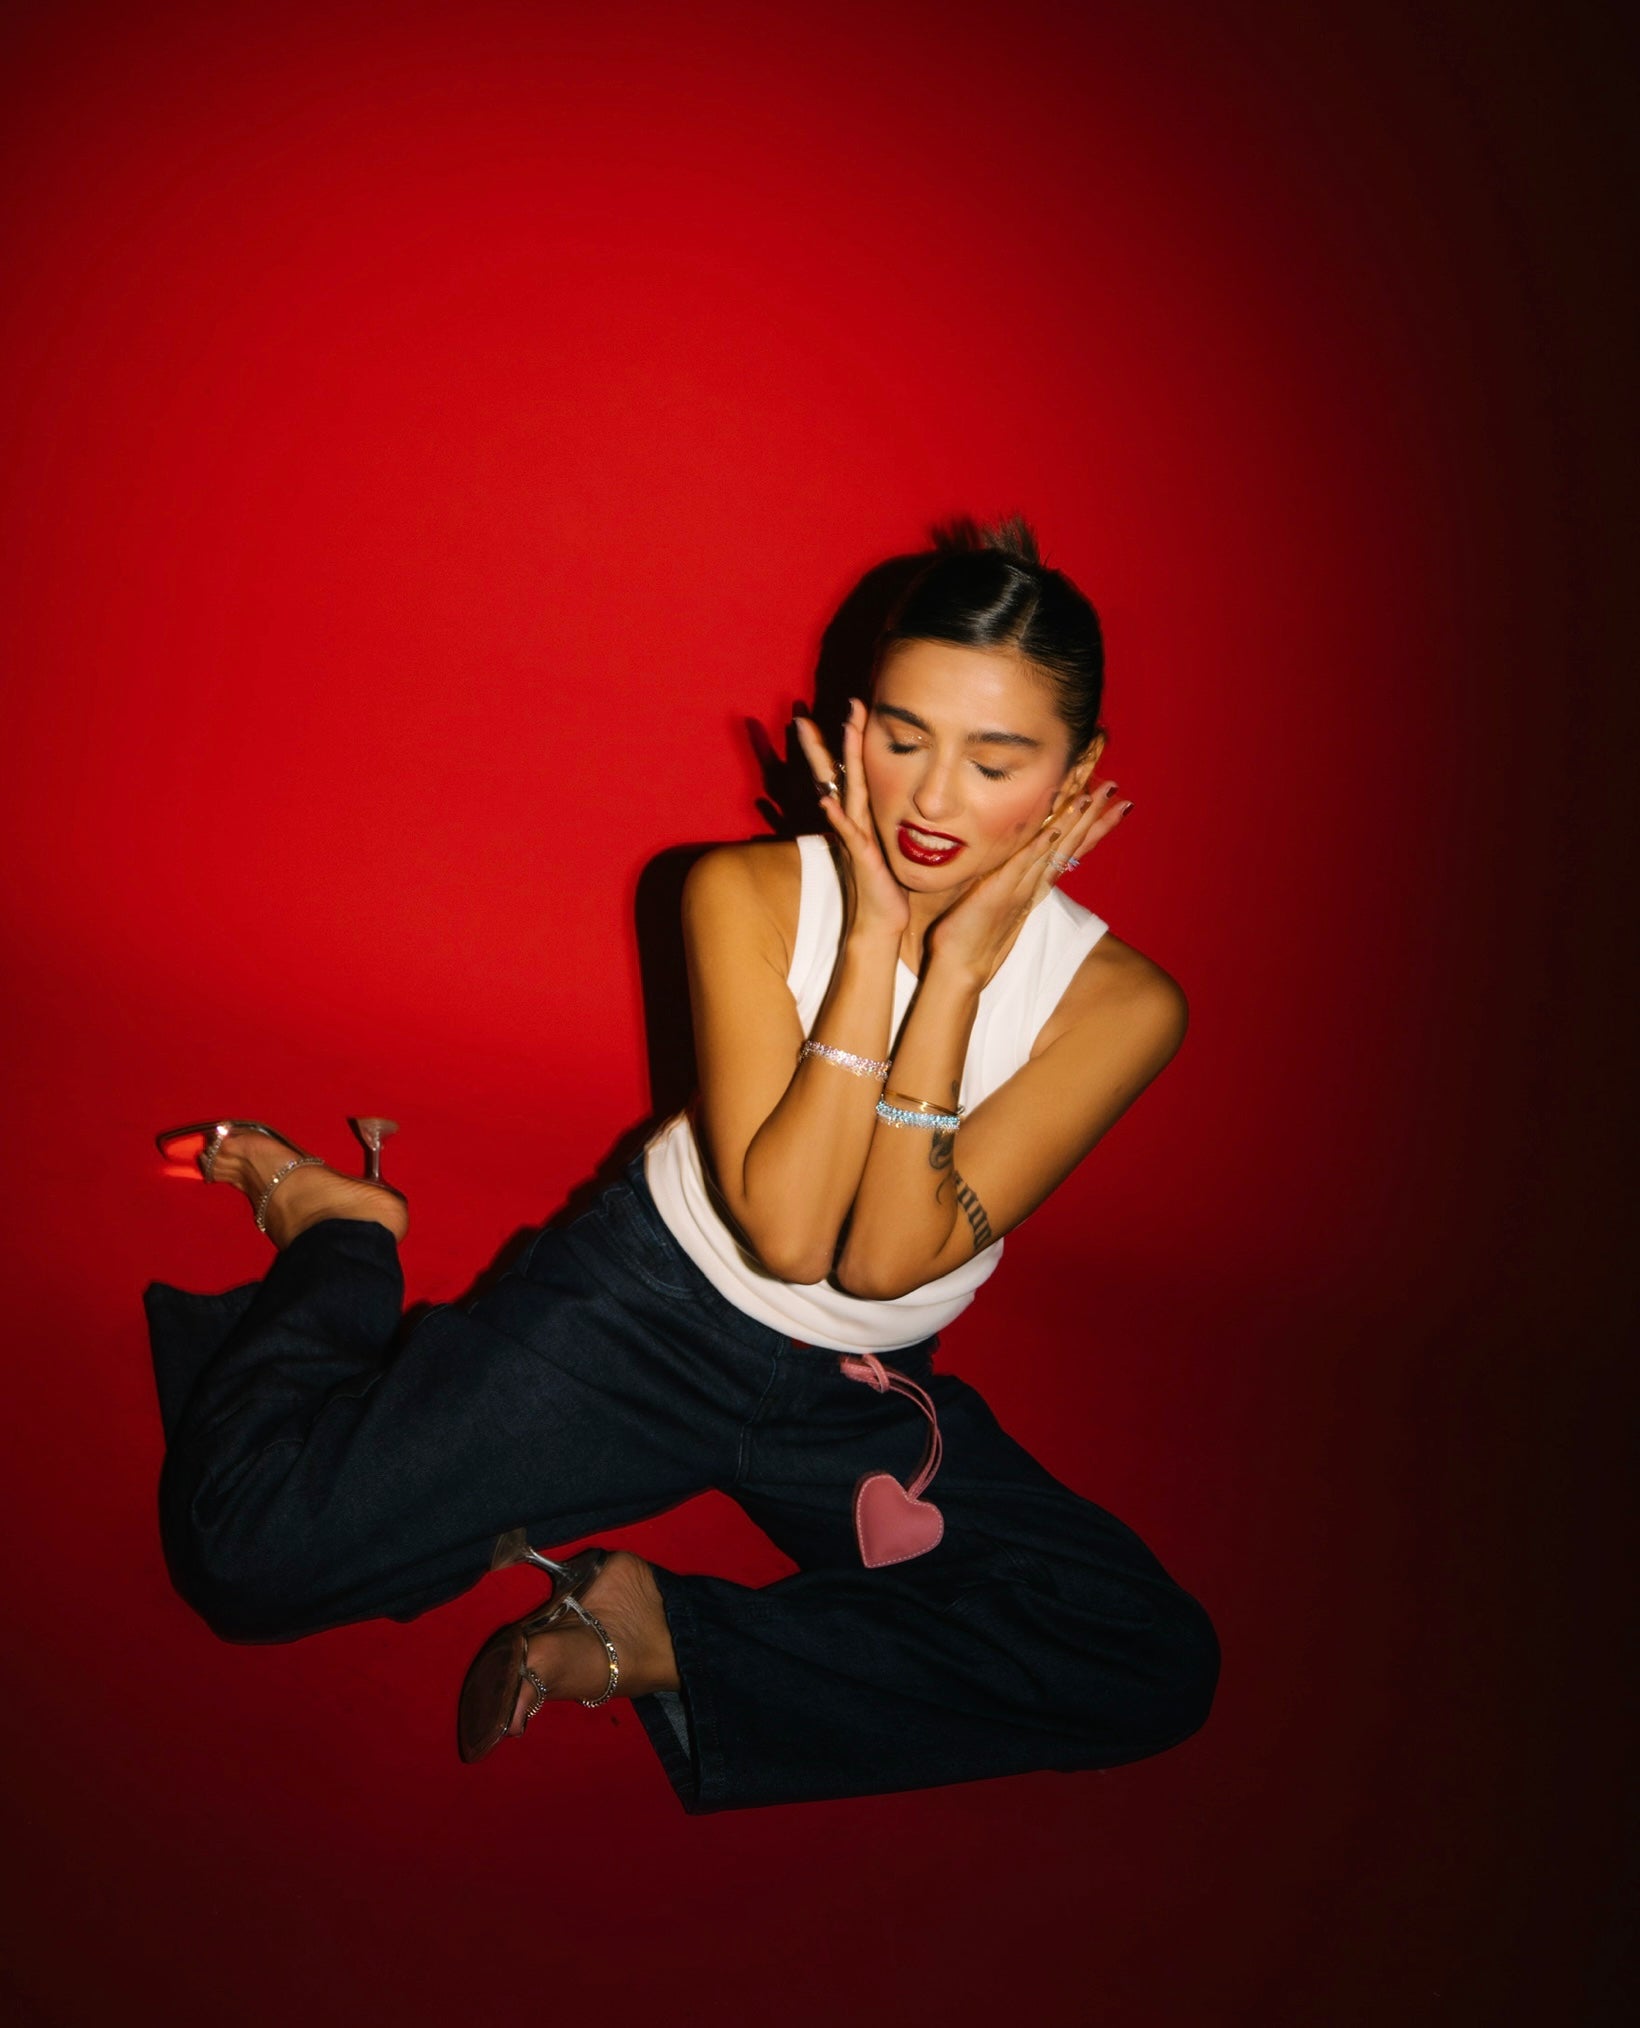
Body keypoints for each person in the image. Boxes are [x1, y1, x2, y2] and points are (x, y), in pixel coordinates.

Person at [145, 516, 1219, 1813]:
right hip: (644, 1315)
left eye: (996, 761)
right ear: (854, 725)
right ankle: (340, 1227)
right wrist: (875, 938)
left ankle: (662, 1636)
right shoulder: (745, 893)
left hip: (857, 1392)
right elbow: (787, 1234)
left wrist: (956, 977)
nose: (933, 802)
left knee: (1148, 1659)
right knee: (245, 1556)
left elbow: (884, 1259)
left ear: (1079, 771)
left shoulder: (1122, 1004)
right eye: (903, 739)